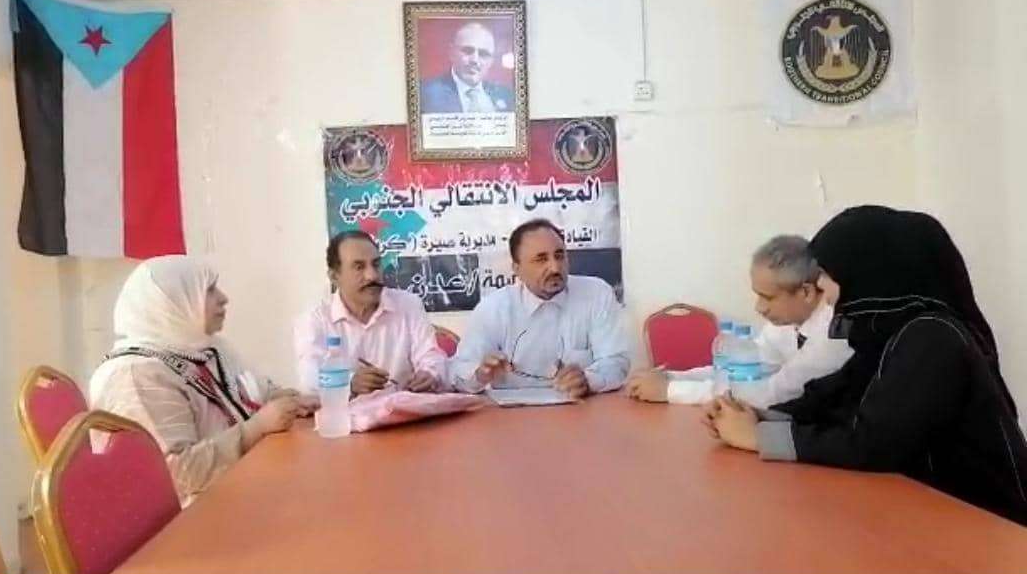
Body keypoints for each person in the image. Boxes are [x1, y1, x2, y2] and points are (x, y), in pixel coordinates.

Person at [707, 206, 1027, 526]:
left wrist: (758, 438)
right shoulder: (886, 334)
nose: (824, 291)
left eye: (829, 276)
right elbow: (833, 396)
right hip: (935, 514)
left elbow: (872, 444)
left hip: (991, 526)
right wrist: (758, 417)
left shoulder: (932, 336)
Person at [89, 256, 315, 506]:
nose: (223, 298)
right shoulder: (137, 375)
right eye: (209, 290)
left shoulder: (203, 348)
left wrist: (287, 400)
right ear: (173, 302)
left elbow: (251, 392)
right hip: (188, 517)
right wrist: (256, 428)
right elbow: (177, 475)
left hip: (239, 483)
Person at [624, 235, 852, 408]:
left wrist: (669, 391)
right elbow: (742, 372)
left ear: (806, 292)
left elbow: (770, 394)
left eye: (768, 298)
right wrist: (672, 376)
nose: (759, 308)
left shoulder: (833, 334)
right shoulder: (785, 325)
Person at [450, 218, 630, 398]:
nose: (555, 267)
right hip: (511, 413)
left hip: (580, 408)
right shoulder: (493, 308)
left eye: (559, 256)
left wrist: (588, 380)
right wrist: (480, 375)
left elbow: (616, 361)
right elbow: (458, 374)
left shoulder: (596, 293)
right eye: (541, 259)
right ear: (517, 269)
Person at [294, 230, 447, 396]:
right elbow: (309, 377)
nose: (372, 276)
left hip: (404, 407)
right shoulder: (316, 318)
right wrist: (349, 382)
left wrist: (430, 374)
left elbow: (431, 356)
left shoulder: (408, 305)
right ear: (334, 277)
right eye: (359, 267)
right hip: (346, 410)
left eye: (376, 264)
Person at [420, 22, 515, 114]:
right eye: (467, 51)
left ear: (491, 61)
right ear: (452, 53)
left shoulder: (507, 96)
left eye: (483, 54)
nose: (475, 60)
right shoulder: (424, 94)